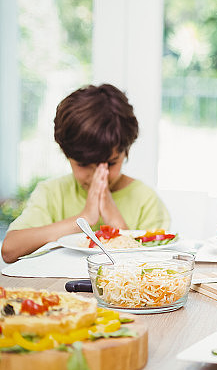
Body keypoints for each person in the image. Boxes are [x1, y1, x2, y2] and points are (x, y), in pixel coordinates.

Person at [2, 84, 170, 263]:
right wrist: (83, 219)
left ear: (126, 151)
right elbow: (9, 250)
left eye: (110, 163)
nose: (97, 177)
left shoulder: (145, 200)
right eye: (83, 165)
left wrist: (113, 217)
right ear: (67, 155)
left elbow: (153, 267)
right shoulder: (52, 193)